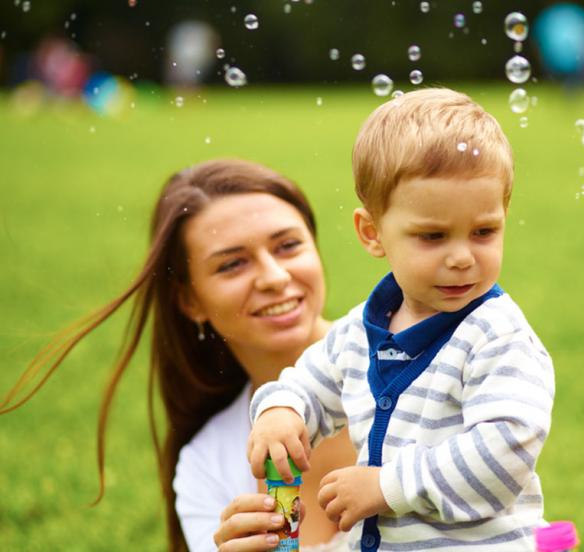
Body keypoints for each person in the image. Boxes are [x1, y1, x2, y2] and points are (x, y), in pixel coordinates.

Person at [247, 88, 555, 551]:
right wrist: (279, 410)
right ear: (372, 233)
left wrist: (386, 487)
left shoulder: (497, 336)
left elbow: (504, 452)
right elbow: (306, 386)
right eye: (432, 236)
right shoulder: (359, 332)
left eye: (484, 231)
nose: (462, 257)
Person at [0, 159, 358, 552]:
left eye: (288, 245)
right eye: (233, 263)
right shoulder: (207, 463)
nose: (274, 276)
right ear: (190, 300)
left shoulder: (418, 370)